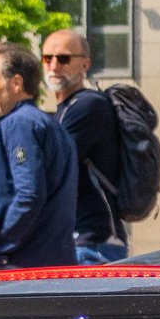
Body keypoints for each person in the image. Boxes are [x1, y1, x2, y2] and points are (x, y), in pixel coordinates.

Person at [0, 41, 79, 271]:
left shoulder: (19, 124)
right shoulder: (49, 125)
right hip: (49, 268)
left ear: (16, 83)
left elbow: (29, 194)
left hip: (22, 272)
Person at [40, 27, 127, 265]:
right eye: (47, 58)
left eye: (64, 59)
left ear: (85, 65)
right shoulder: (63, 111)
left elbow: (49, 167)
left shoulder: (87, 106)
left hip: (91, 245)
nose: (54, 66)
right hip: (77, 244)